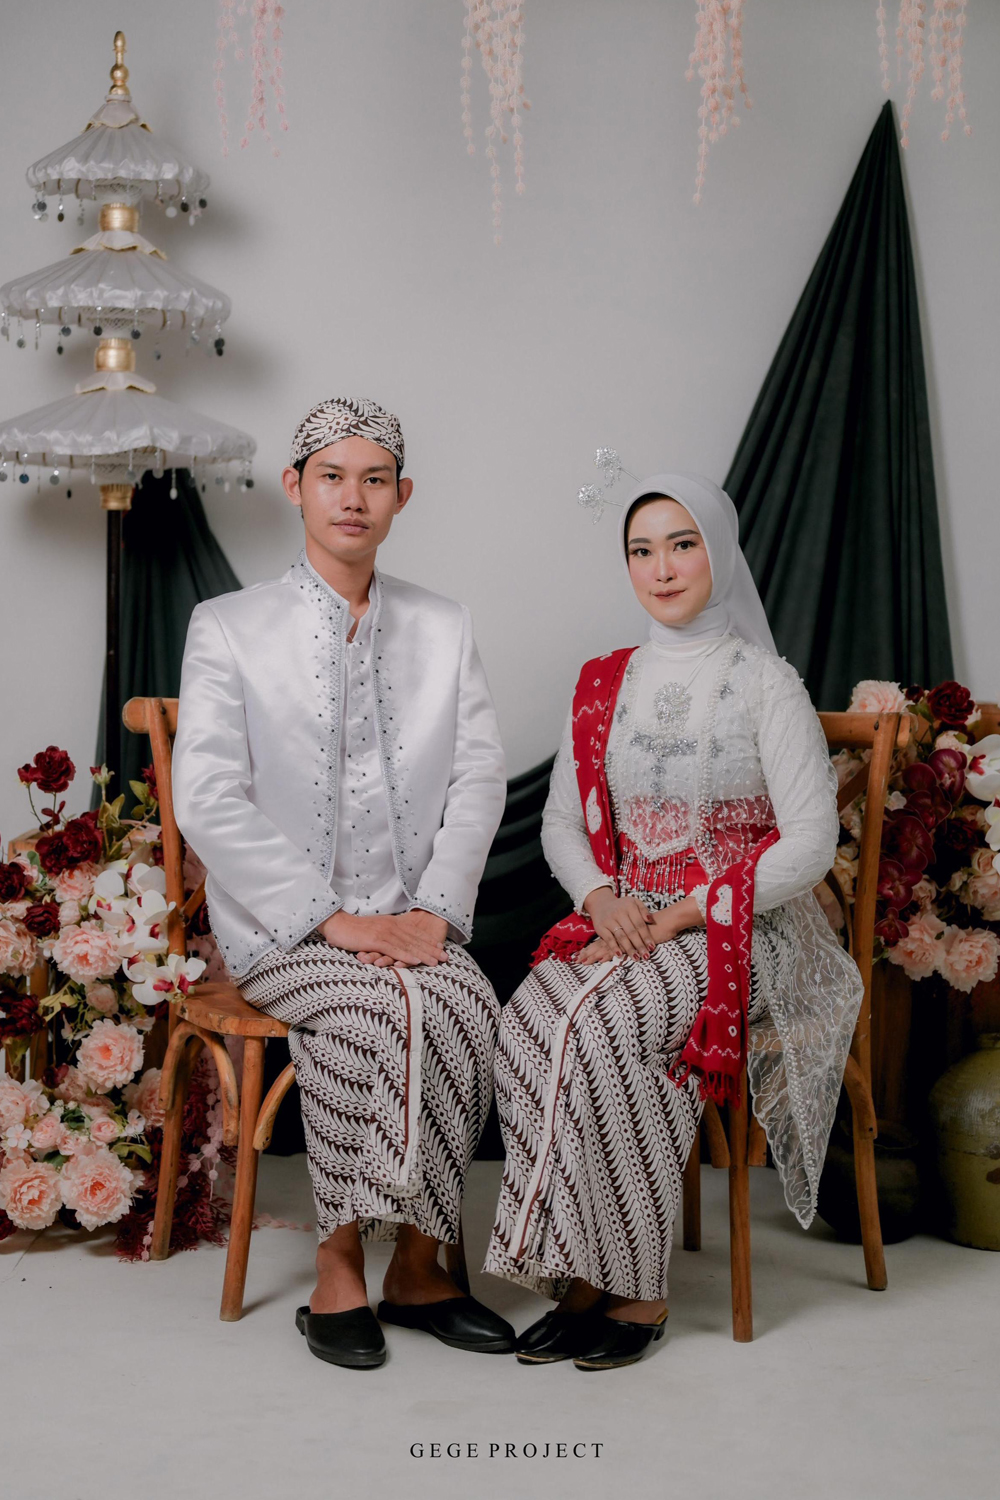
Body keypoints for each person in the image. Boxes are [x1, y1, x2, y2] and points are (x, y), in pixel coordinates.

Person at [483, 472, 863, 1371]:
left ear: (719, 551)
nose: (661, 568)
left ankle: (636, 1290)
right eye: (641, 550)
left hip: (740, 928)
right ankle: (579, 1274)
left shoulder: (765, 682)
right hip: (624, 919)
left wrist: (690, 910)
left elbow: (810, 844)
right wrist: (600, 898)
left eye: (682, 544)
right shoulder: (603, 683)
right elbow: (563, 824)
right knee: (531, 1018)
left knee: (608, 1024)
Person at [173, 396, 514, 1369]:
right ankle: (337, 1265)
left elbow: (479, 776)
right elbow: (207, 797)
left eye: (374, 480)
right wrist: (331, 919)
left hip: (413, 919)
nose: (352, 498)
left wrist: (433, 910)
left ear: (402, 496)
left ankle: (419, 1265)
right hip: (280, 929)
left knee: (466, 1003)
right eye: (332, 477)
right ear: (296, 487)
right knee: (369, 1015)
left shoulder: (443, 625)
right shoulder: (228, 626)